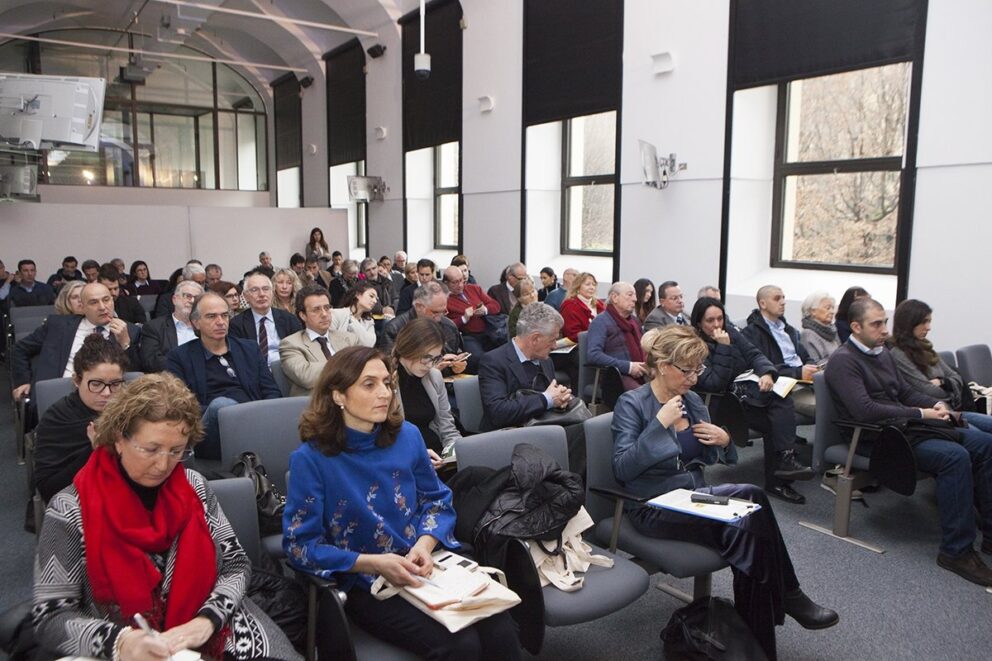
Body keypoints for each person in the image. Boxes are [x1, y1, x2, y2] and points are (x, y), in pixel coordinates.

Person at [33, 372, 301, 660]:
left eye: (177, 451)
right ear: (118, 440)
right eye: (151, 449)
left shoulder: (193, 486)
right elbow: (51, 616)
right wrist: (119, 642)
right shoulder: (70, 509)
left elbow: (235, 563)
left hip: (211, 623)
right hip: (119, 643)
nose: (163, 465)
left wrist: (207, 619)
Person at [611, 325, 838, 659]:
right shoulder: (632, 403)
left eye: (697, 369)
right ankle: (785, 598)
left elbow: (719, 457)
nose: (694, 378)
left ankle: (759, 636)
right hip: (651, 505)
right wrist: (659, 424)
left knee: (750, 514)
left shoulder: (691, 402)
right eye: (686, 370)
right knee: (749, 518)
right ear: (661, 366)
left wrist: (726, 441)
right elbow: (623, 469)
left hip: (694, 498)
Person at [284, 346, 519, 660]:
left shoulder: (407, 436)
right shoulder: (311, 459)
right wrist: (374, 563)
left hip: (426, 564)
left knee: (501, 625)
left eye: (387, 383)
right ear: (338, 395)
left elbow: (437, 501)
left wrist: (423, 545)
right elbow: (300, 545)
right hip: (366, 580)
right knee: (459, 646)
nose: (384, 393)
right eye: (370, 384)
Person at [825, 298, 992, 585]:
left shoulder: (882, 352)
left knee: (985, 444)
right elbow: (865, 410)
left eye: (885, 322)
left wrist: (937, 407)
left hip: (905, 427)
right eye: (876, 324)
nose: (884, 329)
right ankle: (956, 550)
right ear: (855, 327)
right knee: (955, 456)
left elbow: (904, 392)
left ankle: (989, 533)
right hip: (875, 437)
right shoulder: (843, 361)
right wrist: (920, 412)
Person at [690, 297, 814, 504]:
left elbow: (756, 355)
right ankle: (783, 466)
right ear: (699, 323)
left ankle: (782, 467)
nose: (716, 325)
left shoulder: (732, 331)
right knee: (777, 414)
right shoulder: (694, 346)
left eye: (720, 318)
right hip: (722, 404)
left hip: (747, 395)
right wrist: (724, 348)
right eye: (710, 320)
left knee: (779, 400)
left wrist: (766, 373)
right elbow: (714, 383)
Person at [166, 292, 282, 459]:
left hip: (254, 417)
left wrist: (261, 414)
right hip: (210, 428)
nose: (220, 322)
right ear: (195, 323)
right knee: (221, 405)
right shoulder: (180, 357)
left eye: (224, 315)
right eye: (211, 316)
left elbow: (271, 391)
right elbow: (182, 406)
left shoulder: (249, 348)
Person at [478, 303, 585, 473]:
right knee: (579, 437)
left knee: (585, 431)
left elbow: (548, 397)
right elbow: (498, 412)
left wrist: (560, 399)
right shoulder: (494, 362)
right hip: (509, 436)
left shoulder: (545, 360)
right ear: (535, 338)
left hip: (542, 428)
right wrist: (547, 399)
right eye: (552, 340)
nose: (555, 346)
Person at [33, 334, 128, 502]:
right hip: (82, 502)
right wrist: (94, 451)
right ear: (77, 381)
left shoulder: (132, 410)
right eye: (96, 384)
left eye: (115, 384)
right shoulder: (57, 419)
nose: (107, 393)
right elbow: (49, 489)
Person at [12, 282, 141, 400]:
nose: (102, 307)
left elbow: (136, 375)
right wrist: (23, 381)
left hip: (108, 398)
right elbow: (19, 349)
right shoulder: (58, 325)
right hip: (59, 394)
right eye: (94, 302)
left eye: (106, 300)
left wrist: (125, 344)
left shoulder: (130, 330)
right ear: (83, 306)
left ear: (113, 301)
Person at [742, 285, 819, 420]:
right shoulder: (752, 333)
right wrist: (798, 372)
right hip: (785, 386)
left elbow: (805, 356)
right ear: (763, 304)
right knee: (827, 407)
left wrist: (812, 368)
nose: (783, 302)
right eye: (777, 298)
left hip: (806, 383)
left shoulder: (787, 330)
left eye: (783, 298)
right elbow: (763, 366)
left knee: (841, 399)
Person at [391, 318, 462, 464]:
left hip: (438, 456)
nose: (430, 365)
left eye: (435, 359)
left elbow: (447, 426)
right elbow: (386, 438)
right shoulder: (386, 382)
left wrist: (456, 450)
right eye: (426, 358)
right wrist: (418, 457)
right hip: (406, 459)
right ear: (407, 349)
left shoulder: (434, 376)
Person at [888, 299, 977, 412]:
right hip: (936, 413)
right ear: (909, 323)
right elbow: (927, 390)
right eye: (924, 322)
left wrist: (942, 382)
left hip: (951, 409)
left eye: (929, 322)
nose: (929, 327)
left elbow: (956, 377)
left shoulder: (925, 348)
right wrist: (952, 391)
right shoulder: (899, 354)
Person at [279, 284, 358, 396]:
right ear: (303, 315)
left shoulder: (349, 339)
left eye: (326, 308)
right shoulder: (290, 344)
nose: (324, 314)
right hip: (315, 405)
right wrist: (346, 365)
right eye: (316, 310)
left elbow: (362, 369)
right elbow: (307, 377)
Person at [380, 282, 470, 373]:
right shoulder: (395, 329)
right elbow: (389, 368)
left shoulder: (448, 325)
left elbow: (456, 352)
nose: (439, 318)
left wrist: (457, 364)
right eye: (435, 312)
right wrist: (432, 367)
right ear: (419, 306)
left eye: (444, 311)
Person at [228, 271, 303, 366]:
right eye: (255, 290)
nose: (262, 294)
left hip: (286, 369)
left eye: (266, 289)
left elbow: (300, 351)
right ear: (246, 297)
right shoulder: (236, 324)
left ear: (272, 293)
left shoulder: (289, 319)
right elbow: (238, 358)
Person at [586, 282, 648, 394]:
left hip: (642, 372)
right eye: (630, 295)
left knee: (669, 387)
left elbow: (645, 347)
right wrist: (628, 367)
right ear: (615, 297)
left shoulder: (634, 321)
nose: (634, 299)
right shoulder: (601, 322)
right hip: (616, 376)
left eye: (635, 295)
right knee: (644, 396)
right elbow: (593, 355)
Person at [139, 281, 203, 372]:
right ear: (174, 299)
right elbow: (151, 361)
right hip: (170, 380)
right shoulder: (155, 327)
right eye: (187, 296)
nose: (192, 301)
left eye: (196, 298)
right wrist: (187, 364)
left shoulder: (206, 327)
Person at [442, 265, 500, 355]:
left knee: (501, 352)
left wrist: (485, 309)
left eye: (461, 280)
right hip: (467, 336)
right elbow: (444, 326)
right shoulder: (443, 299)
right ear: (446, 283)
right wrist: (463, 319)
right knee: (479, 358)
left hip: (489, 331)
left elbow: (496, 306)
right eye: (455, 282)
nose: (460, 285)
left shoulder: (474, 288)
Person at [331, 281, 379, 347]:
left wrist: (353, 321)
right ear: (358, 295)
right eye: (371, 296)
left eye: (376, 299)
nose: (375, 301)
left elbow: (369, 344)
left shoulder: (369, 321)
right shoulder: (336, 314)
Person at [560, 272, 604, 342]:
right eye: (587, 284)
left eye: (594, 284)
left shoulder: (600, 304)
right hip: (581, 346)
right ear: (578, 287)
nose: (592, 287)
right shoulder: (569, 306)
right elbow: (573, 335)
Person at [799, 291, 841, 364]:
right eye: (827, 308)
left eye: (832, 308)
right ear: (813, 311)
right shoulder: (807, 334)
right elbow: (816, 365)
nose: (832, 311)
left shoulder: (832, 330)